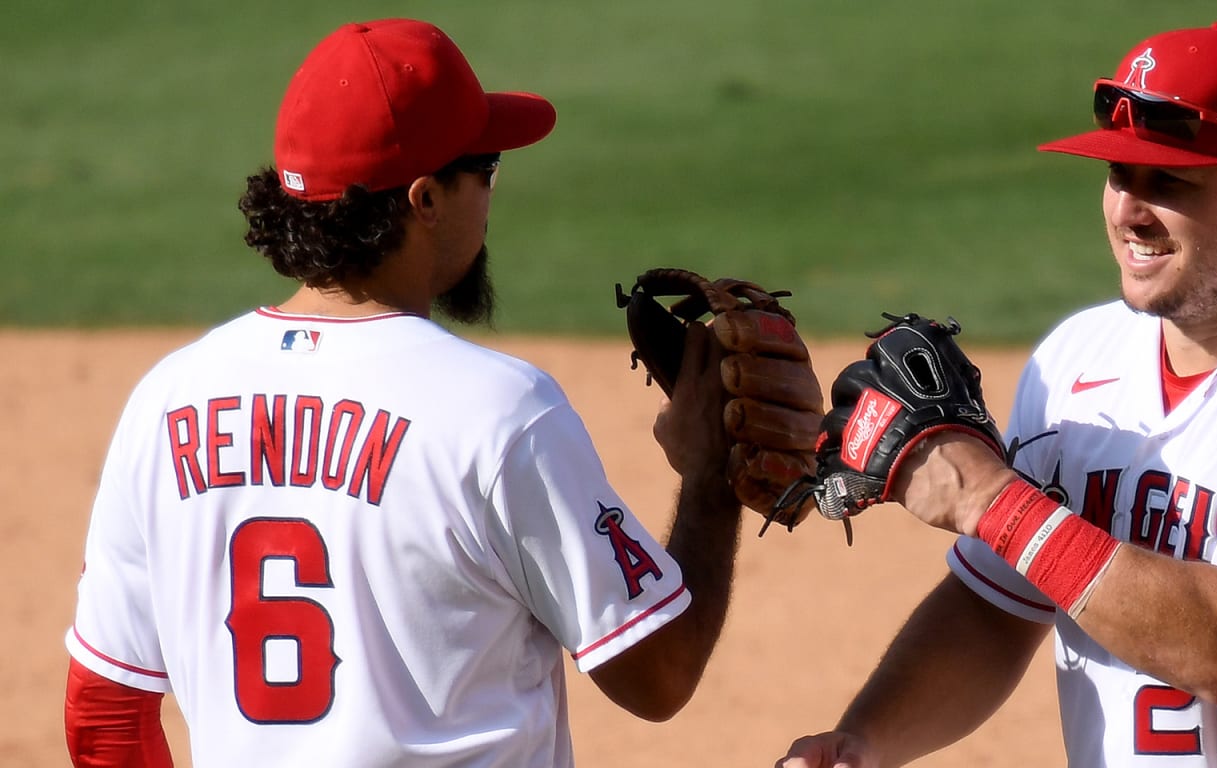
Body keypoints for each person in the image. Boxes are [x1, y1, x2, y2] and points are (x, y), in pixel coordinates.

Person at [64, 18, 746, 767]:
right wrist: (711, 480)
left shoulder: (166, 402)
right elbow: (660, 674)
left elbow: (106, 716)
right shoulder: (500, 413)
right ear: (424, 198)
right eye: (486, 170)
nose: (491, 199)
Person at [779, 21, 1217, 767]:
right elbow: (998, 609)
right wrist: (865, 742)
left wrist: (991, 500)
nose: (1128, 211)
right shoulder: (1076, 361)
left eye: (1169, 182)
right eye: (1118, 175)